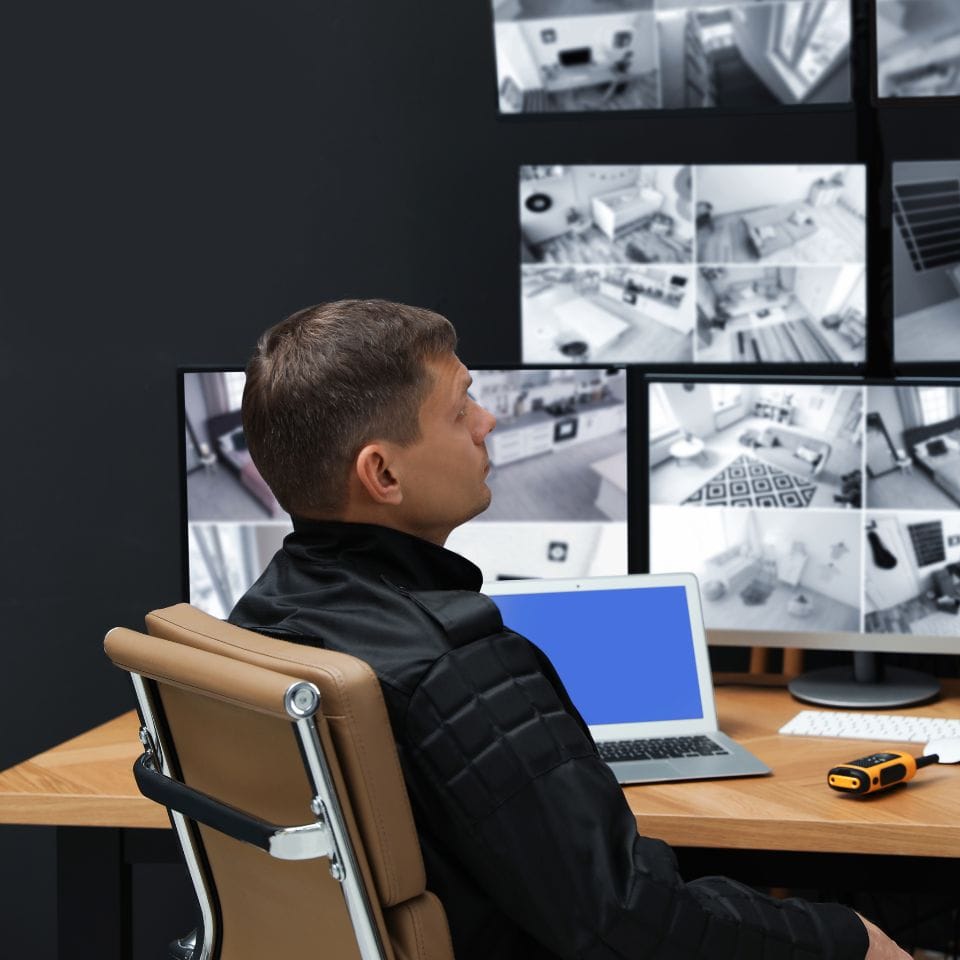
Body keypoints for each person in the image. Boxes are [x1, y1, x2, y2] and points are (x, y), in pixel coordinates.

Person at [228, 300, 909, 959]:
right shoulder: (457, 665)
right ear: (382, 472)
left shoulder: (254, 621)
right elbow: (630, 924)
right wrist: (845, 936)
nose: (486, 420)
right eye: (461, 406)